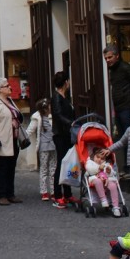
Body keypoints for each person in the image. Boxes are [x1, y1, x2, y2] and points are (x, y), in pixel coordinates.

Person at [0, 77, 25, 206]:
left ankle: (10, 193)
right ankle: (1, 195)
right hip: (2, 140)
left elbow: (17, 115)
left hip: (13, 139)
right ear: (0, 89)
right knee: (2, 167)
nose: (10, 87)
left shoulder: (10, 101)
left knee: (11, 167)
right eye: (7, 86)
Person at [103, 44, 130, 138]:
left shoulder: (127, 68)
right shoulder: (112, 70)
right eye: (106, 58)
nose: (107, 60)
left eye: (110, 57)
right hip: (119, 109)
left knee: (129, 137)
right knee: (123, 138)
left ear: (117, 56)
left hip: (128, 108)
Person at [50, 72, 76, 209]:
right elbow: (58, 114)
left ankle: (67, 193)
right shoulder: (56, 97)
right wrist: (70, 123)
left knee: (68, 163)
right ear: (66, 82)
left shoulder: (65, 97)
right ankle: (58, 195)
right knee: (61, 163)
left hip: (67, 134)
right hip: (60, 134)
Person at [26, 98, 56, 201]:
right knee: (44, 168)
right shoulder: (37, 117)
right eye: (49, 106)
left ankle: (53, 190)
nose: (51, 108)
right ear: (45, 109)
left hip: (54, 144)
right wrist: (23, 138)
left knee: (53, 168)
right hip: (43, 145)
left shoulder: (54, 116)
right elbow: (30, 130)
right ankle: (44, 191)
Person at [85, 147, 121, 216]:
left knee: (113, 185)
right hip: (94, 178)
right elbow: (89, 170)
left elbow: (113, 174)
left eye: (102, 159)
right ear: (94, 155)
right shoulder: (90, 162)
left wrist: (109, 171)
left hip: (106, 180)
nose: (99, 160)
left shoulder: (106, 164)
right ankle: (103, 199)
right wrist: (98, 168)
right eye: (97, 157)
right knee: (98, 181)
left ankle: (116, 207)